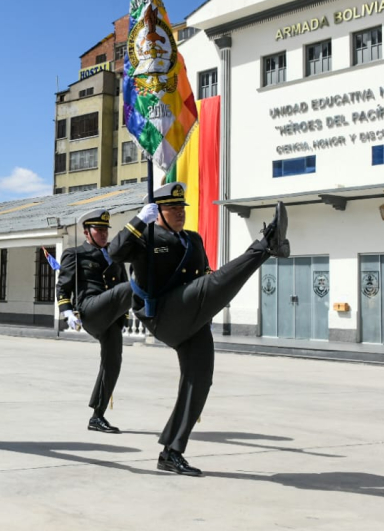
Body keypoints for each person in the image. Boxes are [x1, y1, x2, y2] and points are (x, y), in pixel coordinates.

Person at [108, 183, 289, 477]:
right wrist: (139, 220)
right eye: (172, 208)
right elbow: (116, 253)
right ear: (158, 212)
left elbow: (206, 276)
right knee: (212, 284)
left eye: (182, 208)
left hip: (191, 314)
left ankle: (171, 451)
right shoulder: (148, 238)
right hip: (164, 314)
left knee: (200, 379)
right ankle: (265, 245)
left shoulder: (193, 240)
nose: (180, 213)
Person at [56, 208, 130, 434]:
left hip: (112, 317)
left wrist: (123, 317)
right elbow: (63, 285)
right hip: (91, 308)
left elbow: (123, 282)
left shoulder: (114, 255)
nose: (104, 234)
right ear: (86, 232)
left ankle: (97, 416)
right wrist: (67, 311)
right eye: (98, 230)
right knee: (134, 287)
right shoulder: (75, 254)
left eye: (105, 230)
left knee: (113, 363)